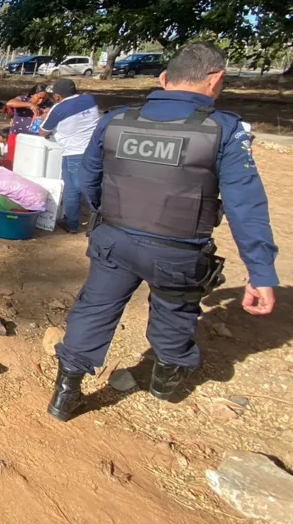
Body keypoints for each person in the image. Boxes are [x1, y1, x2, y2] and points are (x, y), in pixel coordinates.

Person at [48, 42, 279, 423]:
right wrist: (261, 271)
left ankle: (65, 392)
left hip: (114, 240)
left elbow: (89, 179)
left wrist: (108, 214)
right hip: (178, 248)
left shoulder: (118, 119)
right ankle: (165, 381)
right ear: (216, 78)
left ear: (163, 78)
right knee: (175, 311)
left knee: (94, 308)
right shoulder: (223, 129)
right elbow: (245, 205)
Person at [38, 78, 101, 234]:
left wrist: (45, 116)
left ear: (58, 96)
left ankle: (81, 224)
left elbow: (43, 131)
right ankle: (92, 221)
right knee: (89, 185)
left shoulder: (58, 108)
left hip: (74, 153)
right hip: (95, 150)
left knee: (75, 189)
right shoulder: (89, 99)